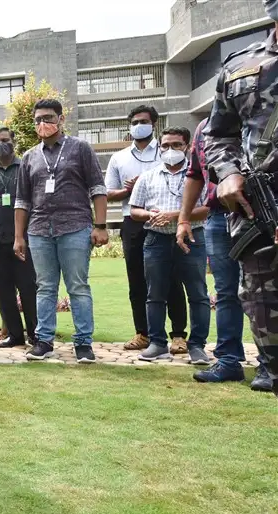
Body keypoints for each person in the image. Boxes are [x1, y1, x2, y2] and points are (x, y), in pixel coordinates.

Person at [202, 0, 278, 397]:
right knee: (258, 295)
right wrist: (228, 172)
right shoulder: (240, 66)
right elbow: (217, 133)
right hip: (258, 207)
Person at [178, 118, 271, 388]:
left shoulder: (266, 119)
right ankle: (229, 360)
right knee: (226, 291)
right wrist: (184, 219)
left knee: (262, 291)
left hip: (261, 213)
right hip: (219, 217)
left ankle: (269, 363)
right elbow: (195, 174)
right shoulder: (205, 128)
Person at [15, 98, 109, 363]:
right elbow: (22, 201)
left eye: (48, 118)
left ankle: (83, 344)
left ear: (61, 119)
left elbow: (98, 189)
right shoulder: (30, 157)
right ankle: (43, 341)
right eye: (37, 120)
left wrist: (100, 226)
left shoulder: (80, 148)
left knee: (77, 286)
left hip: (76, 227)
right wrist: (18, 237)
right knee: (44, 287)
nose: (42, 124)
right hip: (39, 229)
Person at [106, 105, 189, 354]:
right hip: (133, 222)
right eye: (133, 122)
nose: (137, 125)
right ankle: (143, 333)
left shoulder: (167, 150)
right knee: (137, 280)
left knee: (173, 279)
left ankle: (177, 335)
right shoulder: (119, 158)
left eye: (143, 121)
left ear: (154, 124)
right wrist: (128, 190)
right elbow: (108, 193)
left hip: (168, 220)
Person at [129, 127, 211, 364]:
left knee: (197, 294)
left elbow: (206, 209)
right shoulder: (148, 176)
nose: (170, 150)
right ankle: (157, 343)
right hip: (156, 240)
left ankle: (197, 346)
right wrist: (149, 215)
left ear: (187, 147)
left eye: (176, 145)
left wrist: (174, 215)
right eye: (165, 146)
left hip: (191, 238)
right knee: (154, 293)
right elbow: (134, 210)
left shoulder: (197, 176)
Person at [0, 128, 36, 347]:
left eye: (6, 140)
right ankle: (14, 334)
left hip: (25, 241)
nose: (2, 144)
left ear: (14, 141)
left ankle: (35, 333)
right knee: (4, 292)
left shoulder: (27, 168)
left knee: (28, 288)